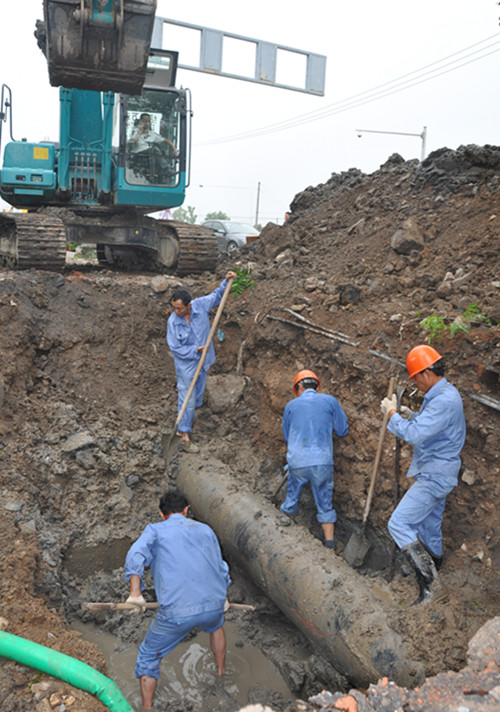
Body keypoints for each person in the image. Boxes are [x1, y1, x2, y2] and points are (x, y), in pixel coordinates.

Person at [124, 491, 231, 711]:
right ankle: (221, 673)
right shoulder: (206, 530)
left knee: (148, 655)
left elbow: (136, 554)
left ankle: (147, 709)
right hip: (213, 604)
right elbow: (219, 565)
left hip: (177, 612)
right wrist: (224, 596)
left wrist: (135, 593)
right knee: (216, 626)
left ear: (161, 514)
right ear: (186, 511)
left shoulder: (155, 530)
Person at [380, 344, 466, 604]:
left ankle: (430, 587)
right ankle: (435, 569)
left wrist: (392, 414)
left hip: (435, 475)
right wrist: (412, 415)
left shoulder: (445, 399)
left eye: (415, 378)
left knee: (398, 524)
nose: (415, 383)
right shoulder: (443, 396)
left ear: (426, 373)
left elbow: (415, 434)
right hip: (437, 471)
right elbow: (433, 426)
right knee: (429, 526)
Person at [166, 271, 236, 452]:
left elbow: (217, 296)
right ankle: (183, 434)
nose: (176, 312)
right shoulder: (173, 322)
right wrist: (194, 350)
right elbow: (175, 347)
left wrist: (226, 281)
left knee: (197, 396)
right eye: (174, 308)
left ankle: (187, 420)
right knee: (187, 397)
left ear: (189, 305)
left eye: (179, 308)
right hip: (186, 364)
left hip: (203, 361)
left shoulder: (200, 305)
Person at [280, 370, 349, 549]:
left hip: (297, 462)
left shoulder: (290, 406)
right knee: (325, 504)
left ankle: (284, 535)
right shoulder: (330, 401)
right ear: (316, 387)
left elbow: (288, 438)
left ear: (299, 388)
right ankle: (330, 545)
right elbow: (342, 431)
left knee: (291, 499)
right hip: (322, 462)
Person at [129, 113, 178, 182]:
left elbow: (167, 141)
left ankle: (161, 176)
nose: (147, 123)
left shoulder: (152, 134)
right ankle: (166, 170)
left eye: (149, 121)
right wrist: (140, 131)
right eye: (145, 121)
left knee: (157, 150)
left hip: (148, 157)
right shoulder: (134, 131)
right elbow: (133, 142)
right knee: (154, 149)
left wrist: (175, 151)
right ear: (141, 122)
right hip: (136, 156)